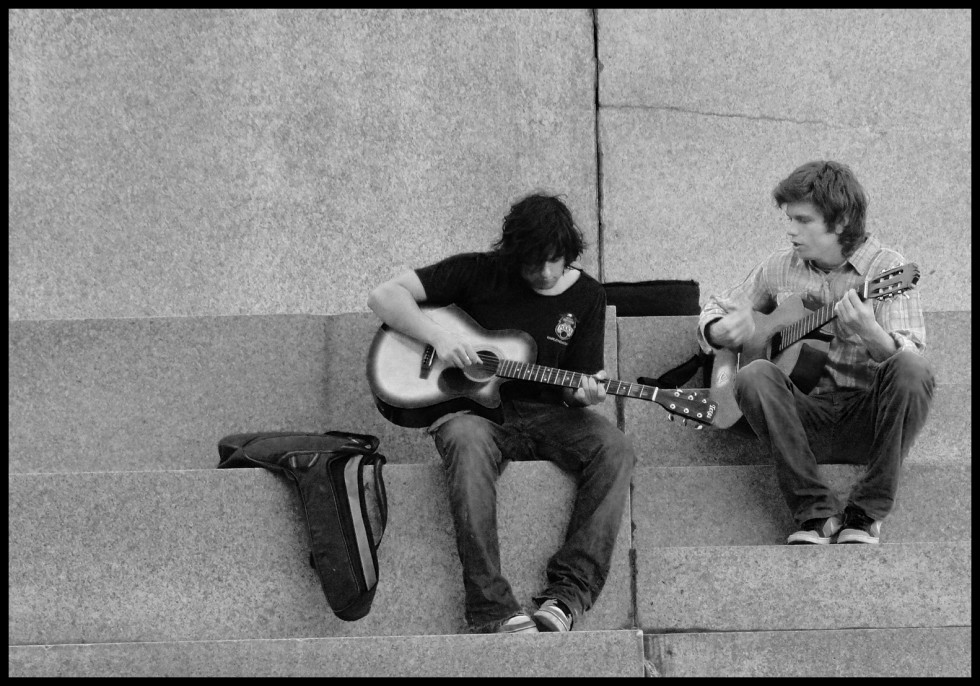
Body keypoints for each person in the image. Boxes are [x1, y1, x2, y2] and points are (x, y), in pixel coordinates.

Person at [367, 192, 635, 634]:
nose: (546, 273)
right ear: (513, 255)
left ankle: (567, 597)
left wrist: (584, 396)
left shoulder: (587, 295)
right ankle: (492, 608)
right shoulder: (479, 271)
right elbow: (384, 296)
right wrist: (437, 336)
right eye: (533, 263)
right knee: (463, 441)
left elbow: (577, 384)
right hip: (478, 418)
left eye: (555, 260)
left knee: (616, 448)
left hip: (549, 415)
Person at [697, 160, 934, 545]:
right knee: (754, 374)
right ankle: (816, 516)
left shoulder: (887, 269)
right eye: (789, 219)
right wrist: (719, 330)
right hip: (797, 420)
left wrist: (871, 333)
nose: (791, 230)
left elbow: (911, 359)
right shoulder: (779, 267)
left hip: (870, 420)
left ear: (840, 221)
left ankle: (866, 512)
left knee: (911, 367)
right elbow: (718, 308)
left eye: (803, 220)